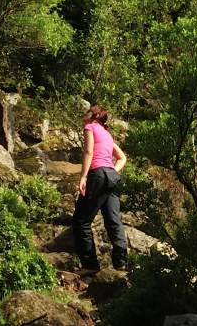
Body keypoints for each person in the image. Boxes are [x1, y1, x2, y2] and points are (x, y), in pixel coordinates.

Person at [74, 103, 128, 271]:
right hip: (112, 177)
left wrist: (83, 177)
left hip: (98, 175)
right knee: (113, 220)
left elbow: (89, 152)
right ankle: (121, 263)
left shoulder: (90, 127)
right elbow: (122, 158)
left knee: (81, 221)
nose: (85, 114)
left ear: (94, 116)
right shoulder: (106, 134)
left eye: (88, 112)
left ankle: (90, 265)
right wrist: (112, 171)